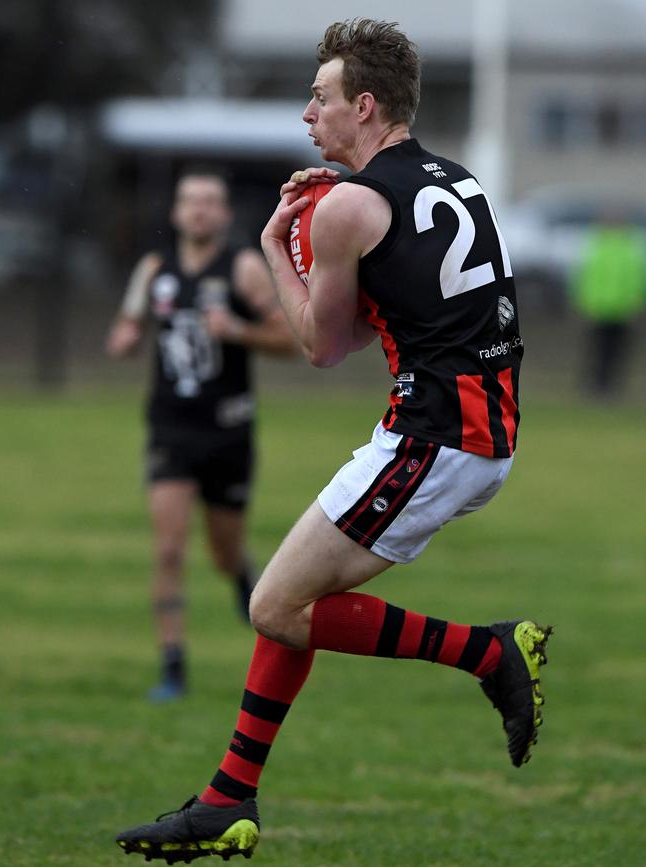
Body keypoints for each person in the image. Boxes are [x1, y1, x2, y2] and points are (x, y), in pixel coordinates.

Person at [115, 19, 551, 861]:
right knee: (287, 606)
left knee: (273, 605)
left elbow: (319, 346)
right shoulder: (454, 180)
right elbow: (364, 331)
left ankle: (489, 652)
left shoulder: (349, 203)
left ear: (364, 103)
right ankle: (228, 798)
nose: (307, 115)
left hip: (433, 437)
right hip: (472, 432)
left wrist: (277, 243)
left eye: (319, 98)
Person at [106, 167, 298, 702]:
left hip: (228, 432)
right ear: (176, 212)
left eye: (209, 201)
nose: (198, 209)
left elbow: (290, 340)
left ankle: (240, 577)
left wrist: (237, 330)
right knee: (169, 549)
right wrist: (123, 337)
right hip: (171, 428)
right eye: (190, 200)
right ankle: (173, 668)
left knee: (222, 551)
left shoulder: (242, 269)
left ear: (225, 214)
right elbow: (128, 323)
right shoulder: (153, 269)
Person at [570, 209, 646, 397]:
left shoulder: (629, 248)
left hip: (621, 309)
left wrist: (636, 302)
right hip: (599, 308)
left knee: (617, 351)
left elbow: (636, 279)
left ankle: (611, 386)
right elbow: (584, 277)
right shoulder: (597, 245)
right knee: (596, 349)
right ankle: (594, 384)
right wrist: (583, 302)